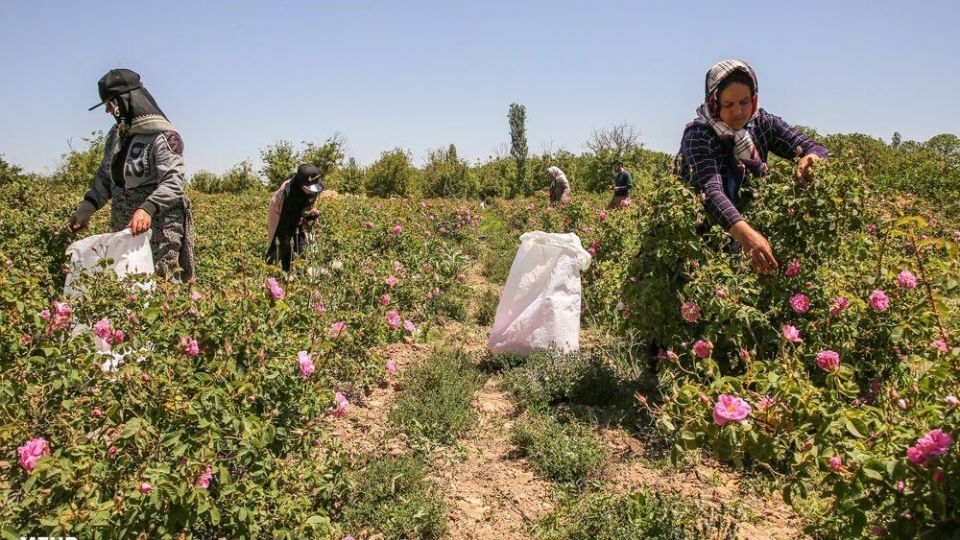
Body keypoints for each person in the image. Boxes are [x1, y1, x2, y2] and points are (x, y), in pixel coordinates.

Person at [677, 60, 828, 274]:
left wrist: (812, 157)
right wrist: (748, 236)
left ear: (754, 99)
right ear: (714, 102)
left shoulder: (762, 124)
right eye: (728, 104)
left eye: (744, 102)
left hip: (743, 233)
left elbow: (813, 147)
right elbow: (711, 193)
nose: (738, 111)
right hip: (699, 237)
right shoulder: (699, 135)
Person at [68, 68, 194, 280]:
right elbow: (105, 175)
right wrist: (87, 207)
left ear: (125, 101)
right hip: (126, 225)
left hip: (160, 225)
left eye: (110, 103)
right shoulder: (116, 135)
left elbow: (173, 182)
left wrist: (147, 209)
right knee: (128, 281)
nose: (108, 110)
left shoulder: (164, 136)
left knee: (164, 280)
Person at [266, 164, 324, 271]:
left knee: (303, 245)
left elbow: (312, 201)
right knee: (284, 246)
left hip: (297, 216)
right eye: (308, 188)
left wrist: (309, 214)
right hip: (281, 216)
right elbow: (287, 223)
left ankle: (301, 270)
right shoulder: (288, 194)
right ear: (300, 184)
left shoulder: (313, 183)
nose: (311, 191)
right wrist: (300, 219)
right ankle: (285, 273)